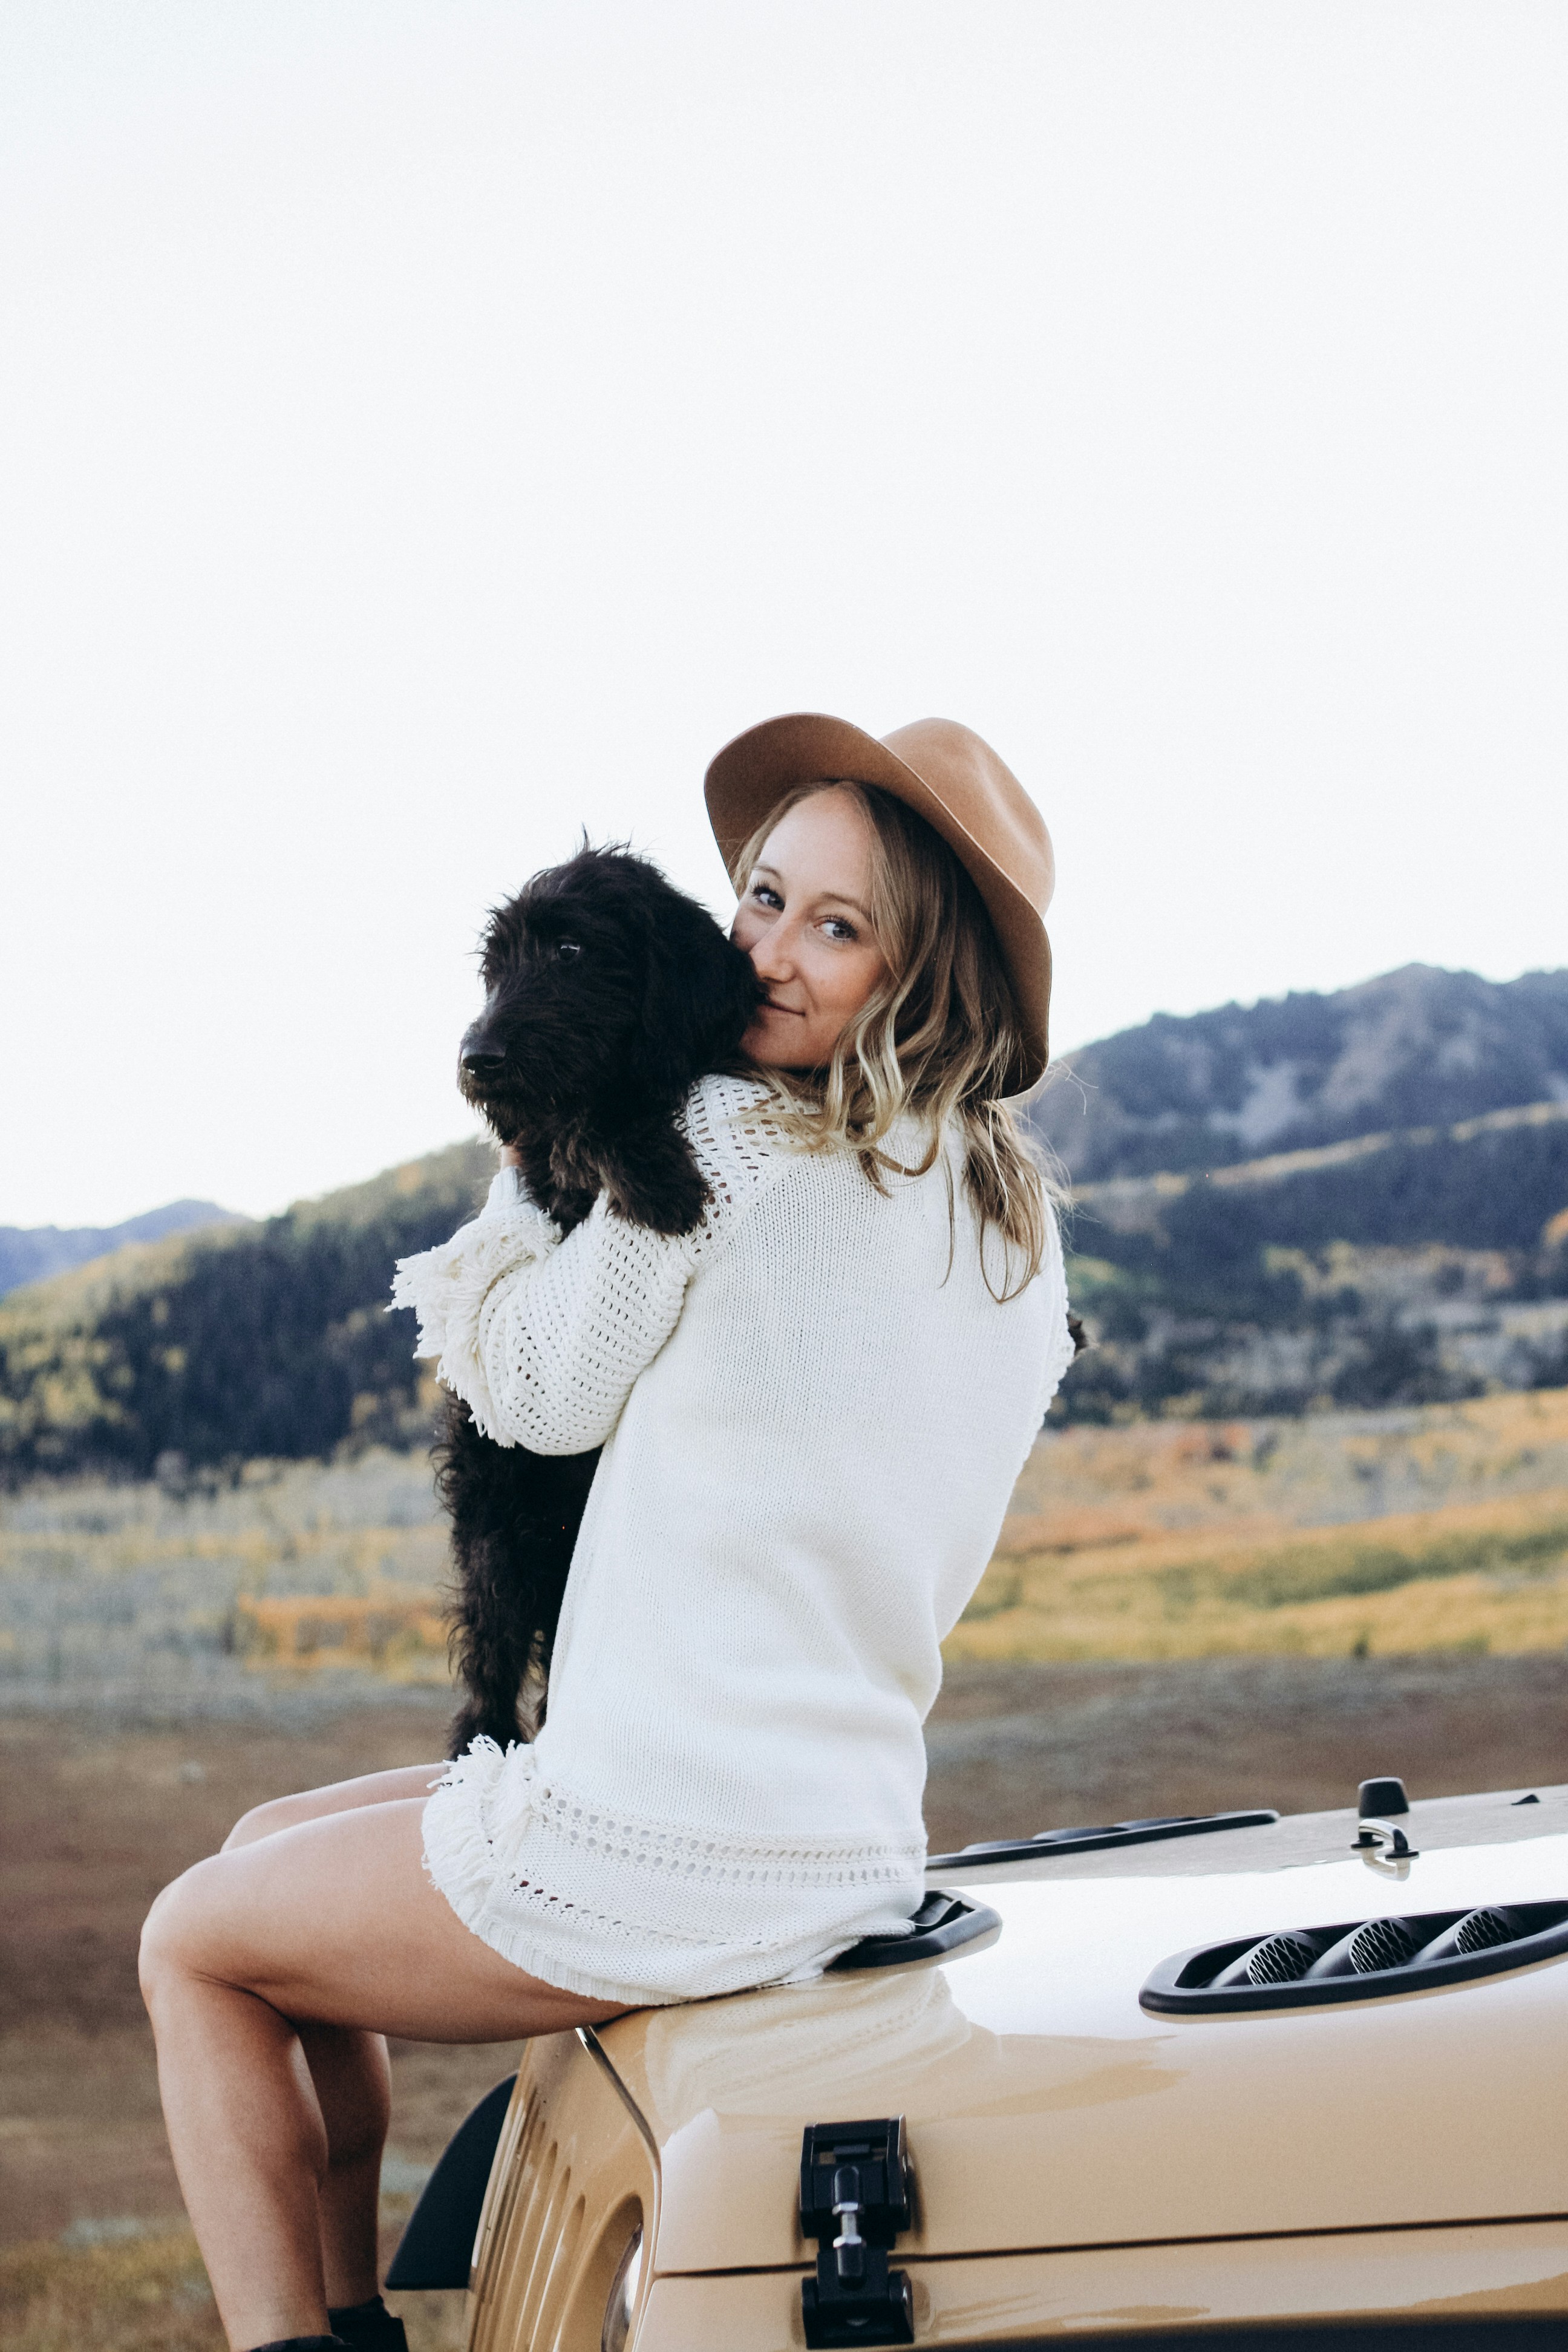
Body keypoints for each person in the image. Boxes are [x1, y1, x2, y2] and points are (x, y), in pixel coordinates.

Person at [138, 713, 1076, 2352]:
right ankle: (347, 2323)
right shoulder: (1012, 1225)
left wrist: (530, 1150)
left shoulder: (723, 1144)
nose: (771, 952)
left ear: (928, 977)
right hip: (840, 1828)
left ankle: (312, 2335)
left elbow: (529, 1390)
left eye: (837, 928)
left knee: (192, 1948)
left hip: (663, 1848)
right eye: (767, 896)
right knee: (257, 1850)